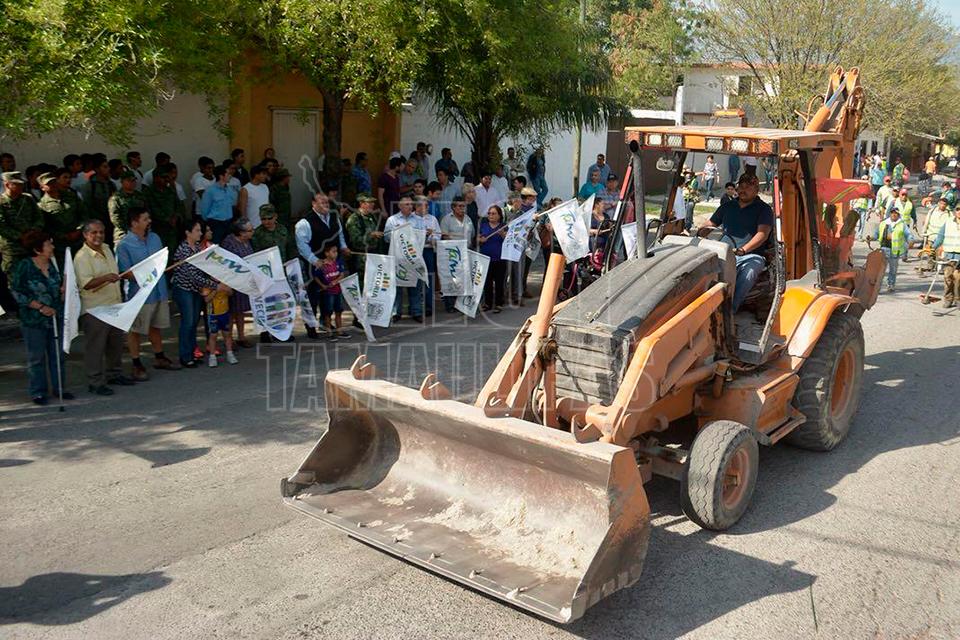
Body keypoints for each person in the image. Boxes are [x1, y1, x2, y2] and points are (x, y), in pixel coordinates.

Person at [73, 219, 136, 393]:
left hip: (114, 305)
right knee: (96, 347)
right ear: (85, 235)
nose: (98, 235)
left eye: (101, 232)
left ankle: (114, 374)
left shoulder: (107, 248)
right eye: (94, 232)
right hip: (95, 309)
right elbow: (86, 284)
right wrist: (106, 278)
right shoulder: (82, 257)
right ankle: (95, 382)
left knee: (115, 343)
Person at [116, 207, 179, 380]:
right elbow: (124, 272)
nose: (149, 221)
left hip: (159, 291)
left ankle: (159, 357)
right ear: (134, 222)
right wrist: (146, 275)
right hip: (140, 295)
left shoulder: (155, 238)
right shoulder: (124, 245)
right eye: (145, 219)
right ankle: (136, 363)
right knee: (135, 329)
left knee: (155, 325)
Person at [10, 231, 72, 405]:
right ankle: (38, 391)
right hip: (33, 319)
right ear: (37, 249)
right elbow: (16, 292)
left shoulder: (54, 264)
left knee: (57, 355)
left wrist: (63, 291)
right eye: (48, 244)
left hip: (55, 317)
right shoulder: (25, 266)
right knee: (36, 357)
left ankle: (60, 388)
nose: (52, 247)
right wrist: (40, 307)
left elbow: (58, 288)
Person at [697, 173, 773, 311]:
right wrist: (699, 233)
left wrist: (743, 250)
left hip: (750, 255)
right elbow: (711, 224)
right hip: (723, 251)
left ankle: (730, 309)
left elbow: (762, 234)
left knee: (750, 271)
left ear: (757, 190)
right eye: (741, 186)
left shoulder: (764, 209)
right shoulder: (728, 206)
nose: (743, 190)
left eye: (748, 187)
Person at [172, 220, 220, 367]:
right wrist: (215, 285)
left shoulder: (198, 248)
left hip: (195, 290)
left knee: (193, 322)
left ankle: (192, 352)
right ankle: (185, 356)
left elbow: (203, 270)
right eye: (197, 230)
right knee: (188, 322)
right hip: (184, 289)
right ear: (188, 232)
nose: (200, 233)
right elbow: (193, 276)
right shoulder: (183, 250)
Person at [384, 196, 424, 321]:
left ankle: (416, 312)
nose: (410, 207)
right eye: (407, 204)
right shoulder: (392, 220)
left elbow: (422, 237)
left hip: (413, 258)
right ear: (400, 206)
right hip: (398, 258)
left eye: (411, 204)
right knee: (397, 285)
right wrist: (397, 233)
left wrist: (426, 234)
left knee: (415, 285)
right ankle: (396, 312)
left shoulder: (418, 220)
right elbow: (386, 238)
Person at [220, 219, 255, 347]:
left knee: (241, 310)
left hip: (244, 281)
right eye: (250, 230)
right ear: (241, 233)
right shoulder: (229, 243)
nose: (252, 232)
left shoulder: (248, 241)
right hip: (232, 281)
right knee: (231, 312)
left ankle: (241, 336)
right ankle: (229, 339)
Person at [1, 172, 42, 277]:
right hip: (12, 248)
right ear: (7, 185)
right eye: (17, 184)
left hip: (31, 244)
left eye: (21, 184)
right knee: (14, 276)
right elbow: (2, 226)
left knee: (33, 276)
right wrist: (20, 237)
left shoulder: (28, 198)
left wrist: (33, 231)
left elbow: (39, 217)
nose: (21, 187)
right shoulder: (1, 202)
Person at [37, 171, 84, 266]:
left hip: (79, 239)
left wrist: (79, 229)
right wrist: (63, 236)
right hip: (60, 244)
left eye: (54, 182)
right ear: (42, 187)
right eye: (49, 184)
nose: (53, 185)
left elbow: (83, 214)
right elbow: (46, 226)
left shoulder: (71, 196)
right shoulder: (41, 205)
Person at [440, 196, 476, 313]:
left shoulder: (468, 219)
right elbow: (444, 236)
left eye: (463, 206)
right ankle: (450, 305)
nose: (462, 209)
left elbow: (472, 234)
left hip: (466, 253)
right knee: (451, 279)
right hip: (452, 254)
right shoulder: (446, 219)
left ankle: (461, 305)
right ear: (453, 207)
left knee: (464, 279)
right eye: (459, 206)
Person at [310, 242, 350, 339]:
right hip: (328, 293)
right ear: (327, 253)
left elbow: (342, 274)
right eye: (333, 252)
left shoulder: (338, 263)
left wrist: (336, 281)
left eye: (336, 251)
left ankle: (339, 331)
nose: (335, 254)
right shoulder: (321, 264)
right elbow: (316, 277)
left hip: (338, 291)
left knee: (339, 311)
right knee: (328, 312)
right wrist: (322, 285)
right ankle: (329, 332)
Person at [874, 208, 914, 293]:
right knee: (880, 270)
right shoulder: (883, 223)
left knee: (893, 270)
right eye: (892, 213)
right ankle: (877, 286)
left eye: (896, 213)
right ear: (890, 214)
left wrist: (911, 241)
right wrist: (870, 238)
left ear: (898, 215)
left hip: (895, 251)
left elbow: (908, 234)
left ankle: (891, 285)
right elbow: (876, 234)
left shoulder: (902, 224)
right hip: (884, 249)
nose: (894, 215)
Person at [478, 205, 508, 312]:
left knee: (499, 282)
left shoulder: (503, 226)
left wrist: (502, 234)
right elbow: (476, 238)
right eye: (489, 213)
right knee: (487, 282)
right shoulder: (483, 225)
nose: (490, 215)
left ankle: (499, 303)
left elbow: (508, 240)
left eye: (493, 213)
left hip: (500, 259)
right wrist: (480, 240)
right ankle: (488, 303)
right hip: (485, 258)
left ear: (499, 216)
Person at [415, 195, 441, 316]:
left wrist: (431, 237)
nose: (427, 207)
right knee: (416, 278)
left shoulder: (432, 219)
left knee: (429, 278)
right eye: (424, 205)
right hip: (415, 251)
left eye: (427, 205)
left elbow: (438, 235)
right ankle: (416, 307)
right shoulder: (411, 219)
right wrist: (422, 235)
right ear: (417, 206)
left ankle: (429, 306)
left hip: (428, 250)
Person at [202, 279, 237, 367]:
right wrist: (215, 290)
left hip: (224, 312)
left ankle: (230, 353)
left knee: (227, 334)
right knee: (213, 335)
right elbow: (206, 299)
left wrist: (227, 289)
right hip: (213, 314)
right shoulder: (207, 284)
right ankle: (212, 356)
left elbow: (231, 293)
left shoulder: (225, 281)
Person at [198, 166, 237, 244]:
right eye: (228, 174)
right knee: (216, 245)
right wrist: (209, 222)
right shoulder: (210, 191)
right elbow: (204, 209)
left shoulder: (230, 189)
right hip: (216, 223)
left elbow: (232, 204)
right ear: (221, 176)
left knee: (228, 244)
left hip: (228, 222)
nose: (230, 176)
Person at [931, 205, 960, 308]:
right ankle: (948, 299)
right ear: (955, 211)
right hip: (948, 255)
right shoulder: (948, 222)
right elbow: (940, 236)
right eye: (958, 210)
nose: (959, 212)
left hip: (959, 256)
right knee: (948, 278)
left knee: (958, 279)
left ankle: (958, 299)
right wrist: (933, 248)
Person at [108, 170, 147, 245]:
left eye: (134, 180)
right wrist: (130, 229)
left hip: (140, 232)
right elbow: (115, 218)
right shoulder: (116, 198)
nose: (132, 183)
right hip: (123, 234)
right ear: (122, 182)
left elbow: (146, 212)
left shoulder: (140, 196)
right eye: (129, 180)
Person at [80, 157, 116, 227]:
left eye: (108, 167)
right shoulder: (90, 186)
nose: (108, 169)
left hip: (111, 220)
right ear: (97, 169)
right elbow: (87, 206)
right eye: (105, 167)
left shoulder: (111, 184)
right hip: (96, 222)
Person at [237, 164, 270, 229]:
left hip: (265, 224)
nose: (266, 176)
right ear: (256, 175)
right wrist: (246, 226)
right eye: (263, 174)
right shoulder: (245, 189)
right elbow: (242, 210)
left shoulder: (265, 187)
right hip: (253, 225)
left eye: (266, 174)